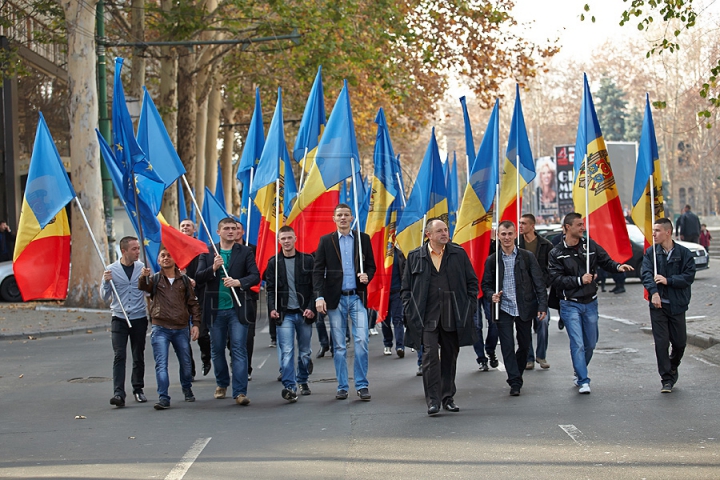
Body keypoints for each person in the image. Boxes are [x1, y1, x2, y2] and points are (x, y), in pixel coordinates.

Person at [548, 212, 634, 394]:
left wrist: (618, 267)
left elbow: (605, 261)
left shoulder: (590, 246)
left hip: (590, 302)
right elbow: (555, 279)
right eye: (579, 225)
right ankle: (583, 379)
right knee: (577, 343)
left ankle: (579, 369)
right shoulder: (556, 253)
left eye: (583, 224)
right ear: (567, 228)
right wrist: (580, 280)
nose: (582, 228)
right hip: (569, 304)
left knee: (591, 343)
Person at [402, 218, 478, 415]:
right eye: (440, 231)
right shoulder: (415, 257)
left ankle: (448, 397)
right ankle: (433, 401)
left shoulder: (458, 253)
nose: (445, 233)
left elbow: (472, 282)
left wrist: (468, 307)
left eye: (446, 230)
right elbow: (406, 289)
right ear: (429, 235)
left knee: (450, 357)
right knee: (429, 357)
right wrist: (410, 310)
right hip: (426, 316)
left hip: (452, 314)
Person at [313, 204, 376, 401]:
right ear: (334, 219)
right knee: (339, 346)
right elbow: (317, 271)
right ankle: (342, 386)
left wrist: (367, 276)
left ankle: (361, 384)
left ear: (351, 218)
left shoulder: (362, 239)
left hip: (356, 297)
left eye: (346, 215)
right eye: (339, 215)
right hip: (335, 298)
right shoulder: (326, 241)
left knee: (361, 341)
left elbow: (372, 266)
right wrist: (319, 296)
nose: (342, 218)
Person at [195, 218, 260, 406]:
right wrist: (213, 268)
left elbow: (255, 276)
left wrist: (239, 282)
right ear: (218, 232)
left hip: (238, 308)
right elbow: (199, 278)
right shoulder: (207, 252)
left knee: (238, 348)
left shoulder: (246, 251)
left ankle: (240, 391)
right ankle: (222, 382)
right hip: (215, 309)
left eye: (233, 228)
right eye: (226, 228)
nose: (231, 231)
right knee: (217, 349)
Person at [482, 221, 547, 396]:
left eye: (510, 234)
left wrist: (542, 305)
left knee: (525, 345)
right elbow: (486, 285)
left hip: (524, 306)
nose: (507, 237)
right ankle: (515, 381)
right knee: (507, 346)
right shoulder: (492, 260)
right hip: (503, 307)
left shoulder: (526, 257)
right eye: (503, 234)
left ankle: (516, 372)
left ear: (515, 234)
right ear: (498, 236)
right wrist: (491, 295)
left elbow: (538, 282)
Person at [139, 247, 202, 409]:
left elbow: (193, 303)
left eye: (169, 255)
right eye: (163, 256)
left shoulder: (185, 280)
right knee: (161, 364)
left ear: (175, 260)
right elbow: (143, 287)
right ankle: (163, 397)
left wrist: (195, 324)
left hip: (181, 328)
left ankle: (187, 388)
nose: (166, 258)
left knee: (186, 363)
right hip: (160, 327)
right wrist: (143, 277)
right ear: (158, 260)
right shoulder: (154, 279)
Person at [641, 218, 696, 393]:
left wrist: (668, 280)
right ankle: (666, 378)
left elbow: (688, 276)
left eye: (657, 230)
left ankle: (673, 364)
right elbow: (646, 274)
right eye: (653, 230)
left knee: (679, 343)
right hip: (658, 306)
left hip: (677, 304)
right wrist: (654, 293)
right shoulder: (651, 253)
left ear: (668, 232)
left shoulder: (684, 253)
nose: (654, 234)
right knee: (661, 343)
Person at [265, 226, 316, 402]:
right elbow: (270, 289)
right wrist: (272, 307)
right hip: (284, 313)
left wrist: (311, 308)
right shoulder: (274, 263)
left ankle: (303, 380)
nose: (286, 241)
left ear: (295, 239)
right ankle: (290, 386)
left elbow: (314, 287)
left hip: (304, 313)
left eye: (289, 238)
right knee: (286, 351)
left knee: (304, 352)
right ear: (279, 241)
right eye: (283, 239)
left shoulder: (307, 260)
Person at [100, 236, 149, 407]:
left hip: (138, 317)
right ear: (124, 251)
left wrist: (145, 279)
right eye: (134, 249)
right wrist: (106, 282)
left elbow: (149, 293)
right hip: (119, 317)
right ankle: (118, 393)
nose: (137, 252)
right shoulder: (111, 269)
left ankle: (138, 389)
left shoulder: (142, 267)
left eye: (138, 248)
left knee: (138, 354)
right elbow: (104, 296)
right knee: (119, 355)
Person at [518, 214, 553, 370]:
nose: (520, 226)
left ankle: (541, 355)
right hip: (522, 292)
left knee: (543, 322)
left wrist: (544, 282)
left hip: (539, 291)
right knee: (523, 326)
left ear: (532, 225)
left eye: (524, 223)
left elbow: (552, 268)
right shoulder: (516, 244)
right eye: (519, 223)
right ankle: (529, 357)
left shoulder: (545, 245)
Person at [180, 219, 212, 378]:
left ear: (194, 230)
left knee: (203, 333)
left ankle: (206, 358)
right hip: (180, 295)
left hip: (200, 293)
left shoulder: (201, 248)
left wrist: (195, 280)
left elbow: (205, 271)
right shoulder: (175, 248)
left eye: (188, 225)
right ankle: (189, 369)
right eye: (182, 226)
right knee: (183, 335)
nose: (185, 228)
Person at [234, 221, 260, 380]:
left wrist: (243, 282)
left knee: (248, 335)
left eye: (237, 228)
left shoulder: (253, 249)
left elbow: (256, 273)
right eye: (230, 228)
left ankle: (246, 367)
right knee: (232, 336)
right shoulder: (220, 251)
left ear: (243, 231)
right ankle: (235, 363)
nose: (234, 231)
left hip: (248, 297)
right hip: (228, 299)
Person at [381, 246, 406, 357]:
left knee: (398, 319)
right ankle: (388, 343)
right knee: (385, 319)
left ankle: (400, 346)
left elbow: (405, 271)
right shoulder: (381, 254)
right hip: (383, 293)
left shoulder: (400, 253)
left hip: (397, 292)